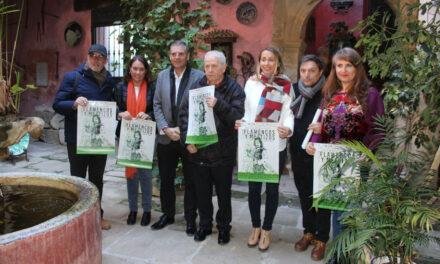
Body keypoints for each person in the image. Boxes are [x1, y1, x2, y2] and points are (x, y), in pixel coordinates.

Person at [306, 47, 385, 260]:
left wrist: (366, 152)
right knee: (334, 206)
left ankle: (342, 255)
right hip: (331, 161)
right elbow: (321, 125)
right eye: (339, 65)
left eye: (348, 65)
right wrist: (315, 143)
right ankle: (340, 252)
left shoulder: (370, 94)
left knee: (348, 211)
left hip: (356, 162)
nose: (343, 70)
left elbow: (380, 130)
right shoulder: (330, 94)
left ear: (357, 67)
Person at [179, 50, 245, 245]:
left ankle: (224, 228)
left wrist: (218, 104)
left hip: (223, 153)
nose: (209, 70)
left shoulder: (234, 89)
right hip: (199, 152)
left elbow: (237, 117)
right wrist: (187, 140)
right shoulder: (197, 86)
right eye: (206, 66)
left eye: (214, 66)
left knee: (224, 195)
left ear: (224, 67)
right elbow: (184, 116)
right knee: (202, 193)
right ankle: (205, 225)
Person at [235, 47, 293, 251]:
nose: (267, 63)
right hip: (254, 143)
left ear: (278, 62)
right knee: (253, 189)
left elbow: (289, 113)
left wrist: (288, 129)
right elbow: (246, 111)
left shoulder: (285, 85)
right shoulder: (251, 83)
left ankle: (267, 229)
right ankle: (255, 227)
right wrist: (241, 122)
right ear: (260, 62)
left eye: (271, 59)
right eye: (264, 59)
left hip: (275, 144)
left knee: (271, 189)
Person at [53, 44, 115, 230]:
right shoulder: (73, 77)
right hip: (78, 139)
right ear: (87, 57)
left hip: (100, 139)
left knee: (97, 178)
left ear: (105, 60)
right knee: (78, 179)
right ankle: (77, 218)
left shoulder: (109, 80)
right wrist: (74, 103)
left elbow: (112, 103)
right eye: (93, 56)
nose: (97, 60)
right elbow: (57, 103)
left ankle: (97, 215)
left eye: (100, 57)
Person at [152, 40, 204, 234]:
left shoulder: (199, 77)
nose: (177, 57)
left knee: (192, 180)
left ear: (188, 55)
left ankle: (191, 219)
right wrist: (165, 128)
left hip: (188, 137)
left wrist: (185, 130)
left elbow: (200, 107)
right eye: (173, 54)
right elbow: (156, 104)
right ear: (169, 56)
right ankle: (168, 214)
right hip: (166, 138)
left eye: (180, 54)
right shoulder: (162, 76)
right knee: (166, 179)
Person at [289, 55, 331, 261]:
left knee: (321, 196)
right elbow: (286, 116)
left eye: (311, 71)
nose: (306, 75)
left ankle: (322, 238)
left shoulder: (328, 93)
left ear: (320, 72)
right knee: (304, 192)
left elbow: (340, 125)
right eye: (303, 70)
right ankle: (308, 231)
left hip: (320, 152)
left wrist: (324, 128)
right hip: (297, 150)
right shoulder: (295, 90)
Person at [115, 55, 155, 226]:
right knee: (131, 175)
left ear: (146, 71)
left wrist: (149, 115)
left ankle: (147, 210)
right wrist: (120, 113)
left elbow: (156, 109)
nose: (138, 72)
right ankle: (133, 210)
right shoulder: (120, 87)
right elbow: (115, 107)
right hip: (126, 135)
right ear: (129, 69)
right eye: (135, 68)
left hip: (146, 135)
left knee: (145, 174)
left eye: (141, 69)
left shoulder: (152, 87)